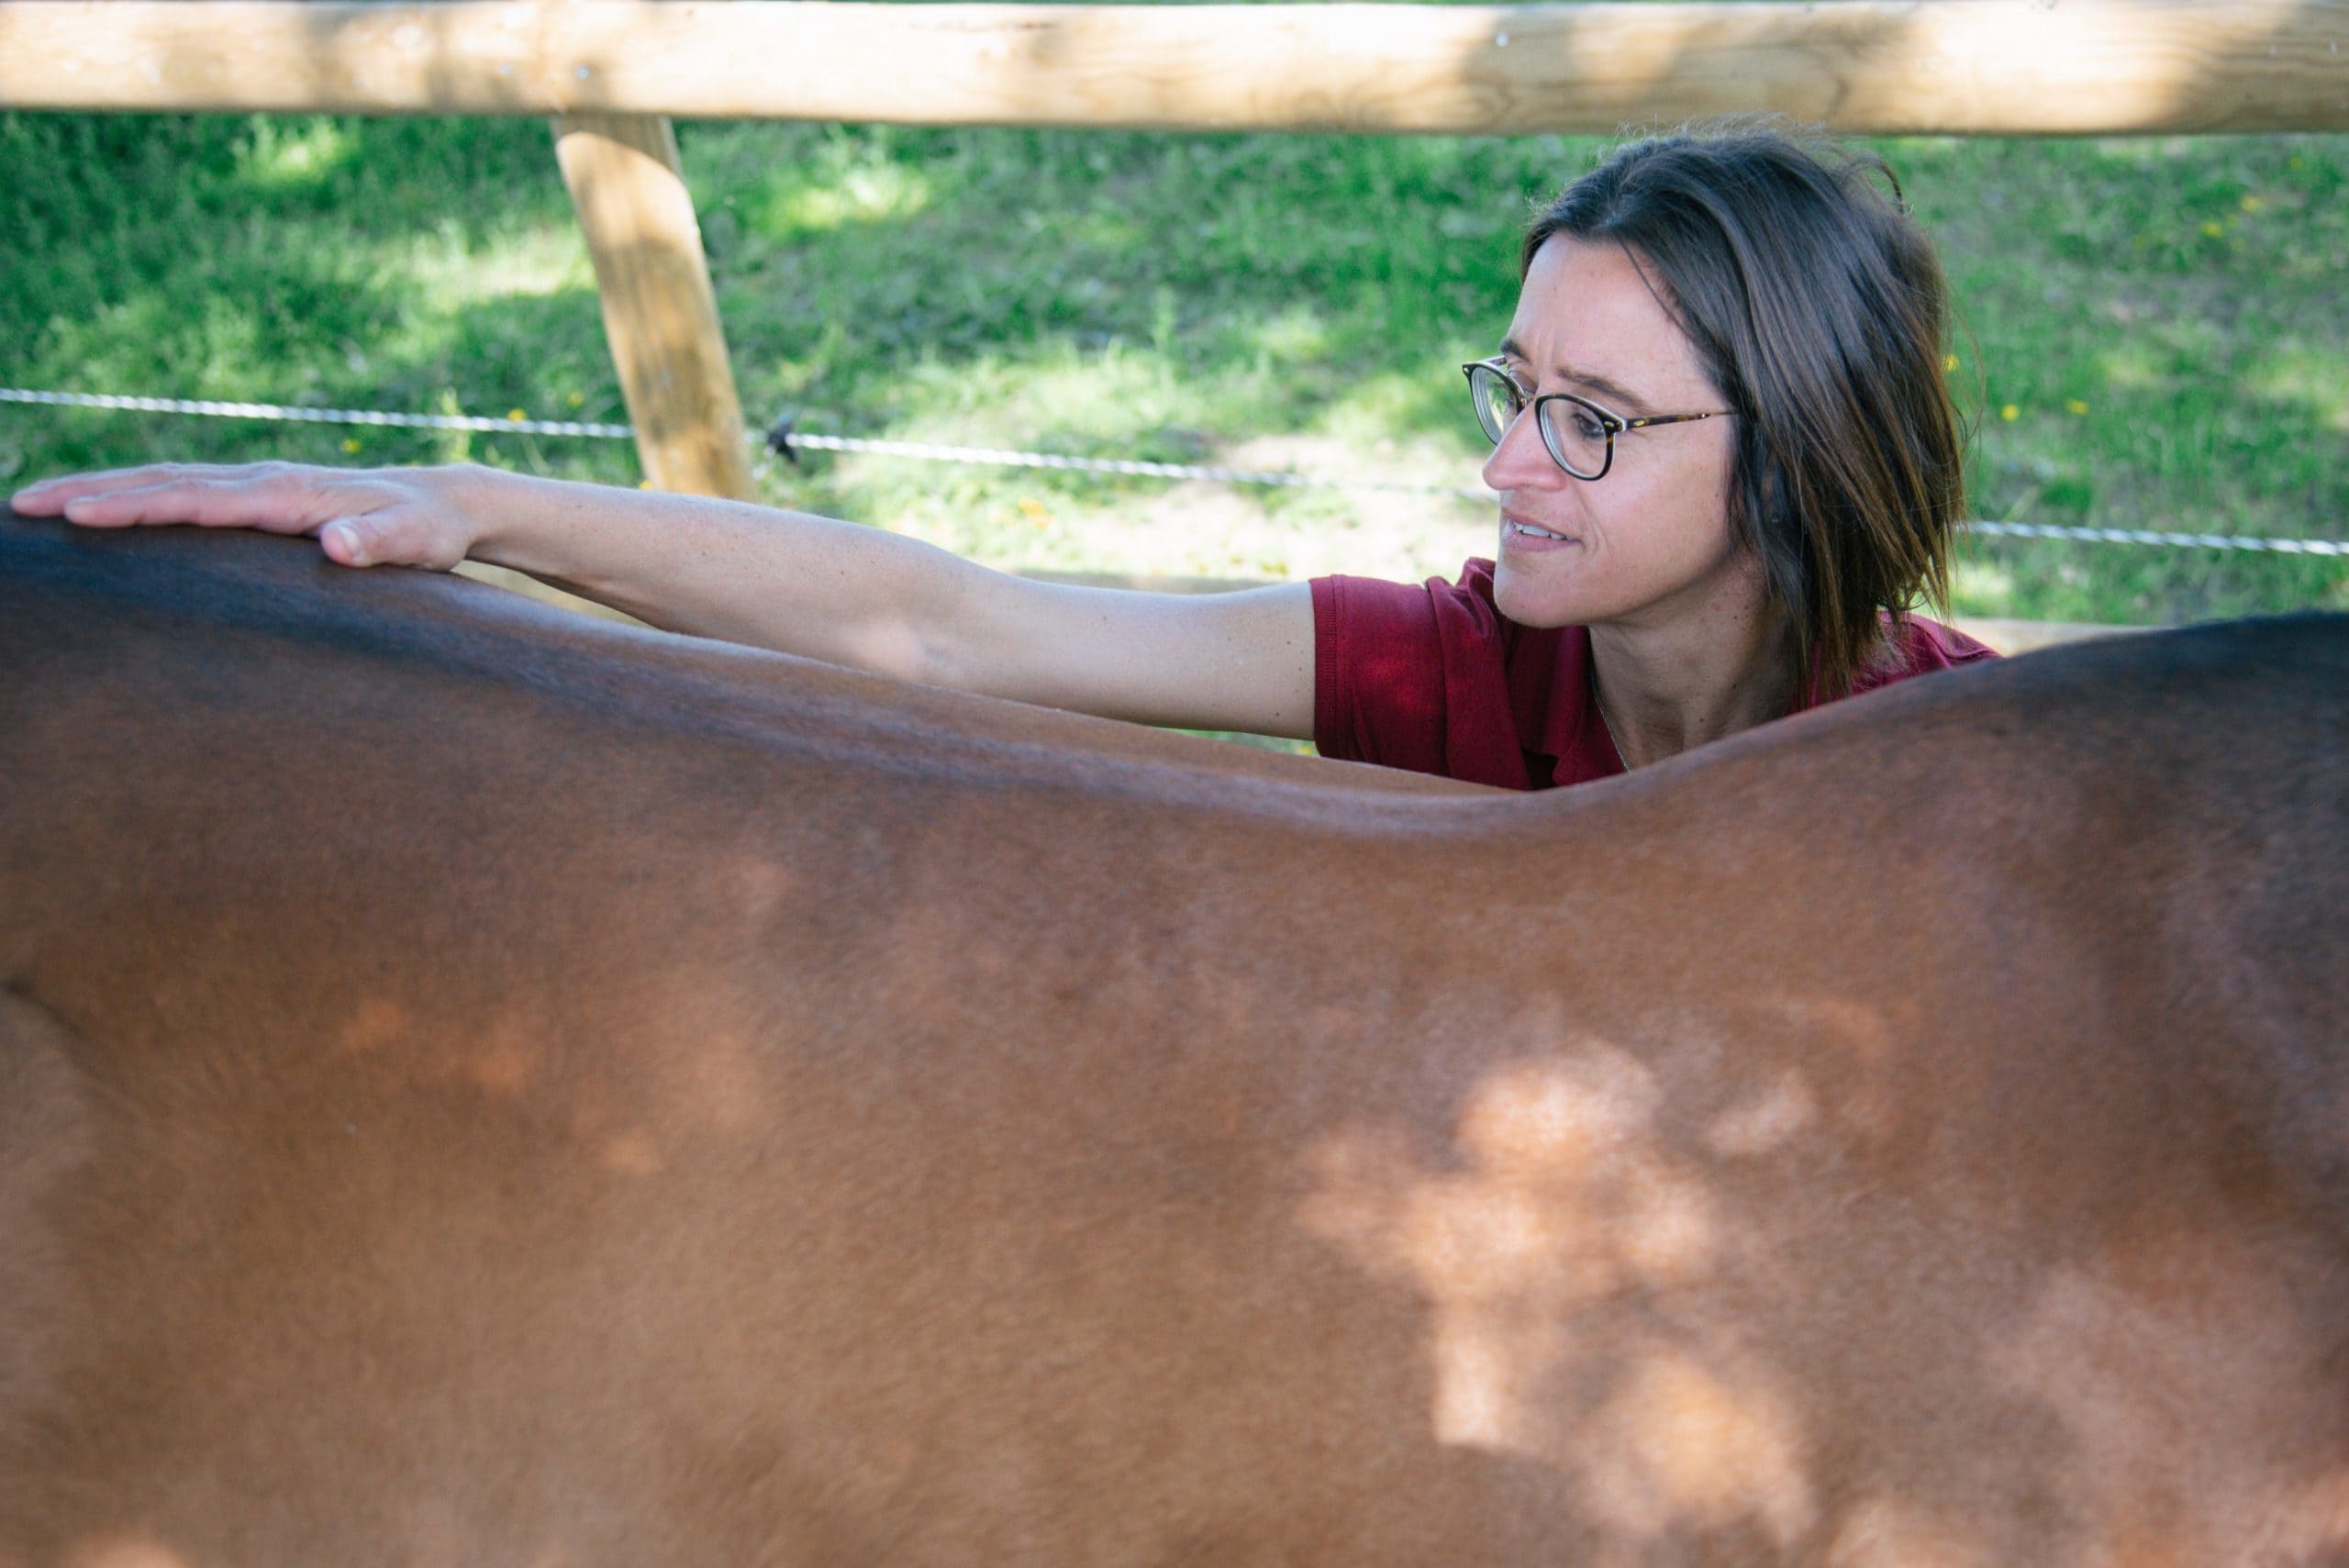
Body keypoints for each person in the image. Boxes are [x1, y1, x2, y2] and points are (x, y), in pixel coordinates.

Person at [8, 117, 1994, 790]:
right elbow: (950, 625)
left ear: (1791, 458)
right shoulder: (1465, 668)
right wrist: (470, 510)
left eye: (1591, 425)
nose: (1505, 468)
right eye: (1510, 391)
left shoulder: (1961, 763)